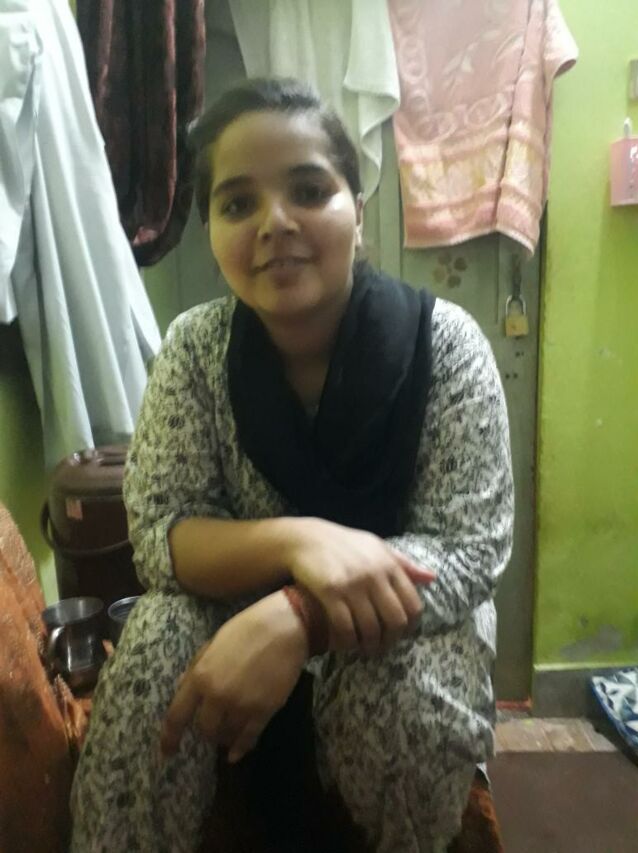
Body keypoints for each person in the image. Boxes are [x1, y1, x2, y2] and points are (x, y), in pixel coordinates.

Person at [70, 77, 514, 853]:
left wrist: (300, 616)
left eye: (309, 190)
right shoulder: (194, 351)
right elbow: (162, 537)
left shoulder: (445, 347)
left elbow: (469, 548)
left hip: (403, 621)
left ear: (358, 209)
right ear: (210, 229)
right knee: (155, 649)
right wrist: (299, 539)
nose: (275, 222)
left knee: (405, 699)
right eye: (238, 203)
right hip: (230, 606)